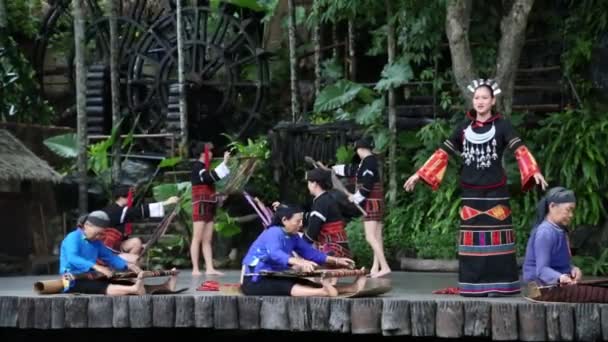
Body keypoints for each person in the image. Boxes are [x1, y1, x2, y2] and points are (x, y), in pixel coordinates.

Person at [403, 78, 548, 297]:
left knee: (498, 239)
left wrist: (533, 170)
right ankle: (474, 286)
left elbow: (519, 149)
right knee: (472, 242)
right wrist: (419, 174)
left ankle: (501, 286)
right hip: (471, 193)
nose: (480, 101)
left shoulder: (503, 126)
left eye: (484, 98)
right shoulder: (462, 128)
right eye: (476, 97)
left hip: (496, 192)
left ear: (492, 101)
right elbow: (443, 153)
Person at [240, 205, 365, 297]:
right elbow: (275, 253)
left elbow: (310, 253)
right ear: (285, 220)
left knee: (303, 282)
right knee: (286, 286)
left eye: (301, 221)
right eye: (297, 221)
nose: (300, 225)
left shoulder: (293, 236)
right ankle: (323, 292)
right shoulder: (273, 232)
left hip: (274, 275)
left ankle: (350, 288)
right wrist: (299, 262)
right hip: (254, 280)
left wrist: (337, 260)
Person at [59, 211, 178, 295]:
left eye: (101, 234)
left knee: (120, 281)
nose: (99, 237)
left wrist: (127, 265)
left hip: (92, 276)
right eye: (97, 233)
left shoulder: (96, 243)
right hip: (72, 279)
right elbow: (72, 258)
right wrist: (96, 266)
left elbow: (110, 257)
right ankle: (134, 290)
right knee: (96, 286)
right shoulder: (73, 238)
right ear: (87, 226)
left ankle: (162, 287)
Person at [332, 136, 391, 278]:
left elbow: (367, 183)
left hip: (371, 203)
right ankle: (375, 268)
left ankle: (385, 267)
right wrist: (333, 169)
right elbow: (353, 170)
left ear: (360, 149)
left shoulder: (369, 162)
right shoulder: (368, 162)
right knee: (377, 237)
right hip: (376, 203)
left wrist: (356, 197)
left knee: (370, 237)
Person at [102, 184, 179, 264]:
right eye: (131, 196)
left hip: (116, 244)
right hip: (106, 248)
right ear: (121, 197)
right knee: (138, 259)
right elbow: (139, 211)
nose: (132, 199)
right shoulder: (115, 211)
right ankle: (124, 265)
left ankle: (128, 267)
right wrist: (165, 203)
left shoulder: (120, 210)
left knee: (136, 242)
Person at [523, 187, 581, 285]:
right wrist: (560, 277)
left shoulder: (559, 230)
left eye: (572, 211)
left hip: (554, 283)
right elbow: (542, 270)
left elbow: (557, 262)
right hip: (536, 288)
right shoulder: (545, 232)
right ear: (552, 206)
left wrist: (573, 269)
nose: (571, 215)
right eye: (568, 210)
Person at [190, 141, 231, 276]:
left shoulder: (204, 168)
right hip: (200, 205)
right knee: (197, 238)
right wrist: (224, 163)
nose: (212, 154)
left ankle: (209, 268)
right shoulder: (197, 166)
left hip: (209, 205)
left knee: (207, 239)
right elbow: (208, 178)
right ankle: (195, 268)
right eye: (210, 151)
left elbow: (209, 180)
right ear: (204, 153)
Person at [304, 168, 352, 259]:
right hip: (341, 249)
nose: (308, 186)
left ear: (314, 184)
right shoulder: (328, 199)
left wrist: (298, 247)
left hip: (332, 251)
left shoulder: (321, 202)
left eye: (309, 182)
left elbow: (312, 232)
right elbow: (310, 217)